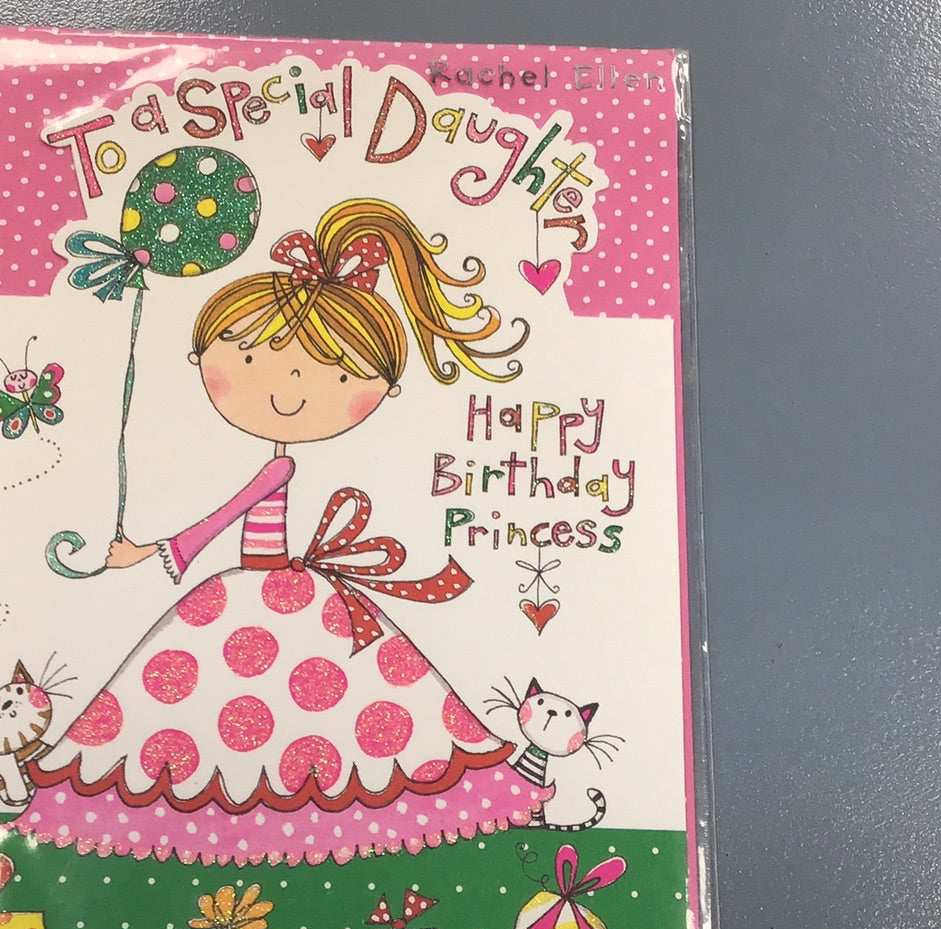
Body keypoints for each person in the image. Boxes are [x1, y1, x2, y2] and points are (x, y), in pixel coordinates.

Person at [14, 197, 550, 867]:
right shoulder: (274, 459)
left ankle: (273, 827)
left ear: (383, 387)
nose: (288, 390)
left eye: (335, 373)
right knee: (229, 707)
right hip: (259, 589)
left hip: (275, 593)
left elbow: (221, 518)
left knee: (308, 711)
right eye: (248, 358)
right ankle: (258, 827)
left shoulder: (279, 465)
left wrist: (153, 551)